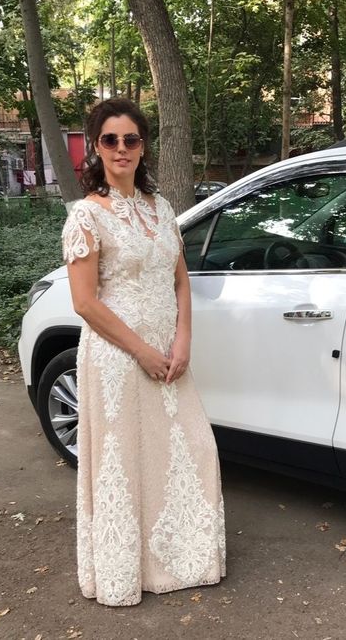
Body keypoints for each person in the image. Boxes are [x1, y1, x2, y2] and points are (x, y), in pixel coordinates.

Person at [62, 97, 226, 607]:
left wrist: (182, 340)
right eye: (110, 139)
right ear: (96, 147)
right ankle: (122, 571)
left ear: (143, 145)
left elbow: (180, 281)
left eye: (130, 138)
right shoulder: (86, 215)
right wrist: (142, 352)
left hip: (168, 353)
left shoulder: (162, 208)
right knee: (126, 459)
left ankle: (181, 559)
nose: (121, 148)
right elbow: (85, 302)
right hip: (116, 358)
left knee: (189, 448)